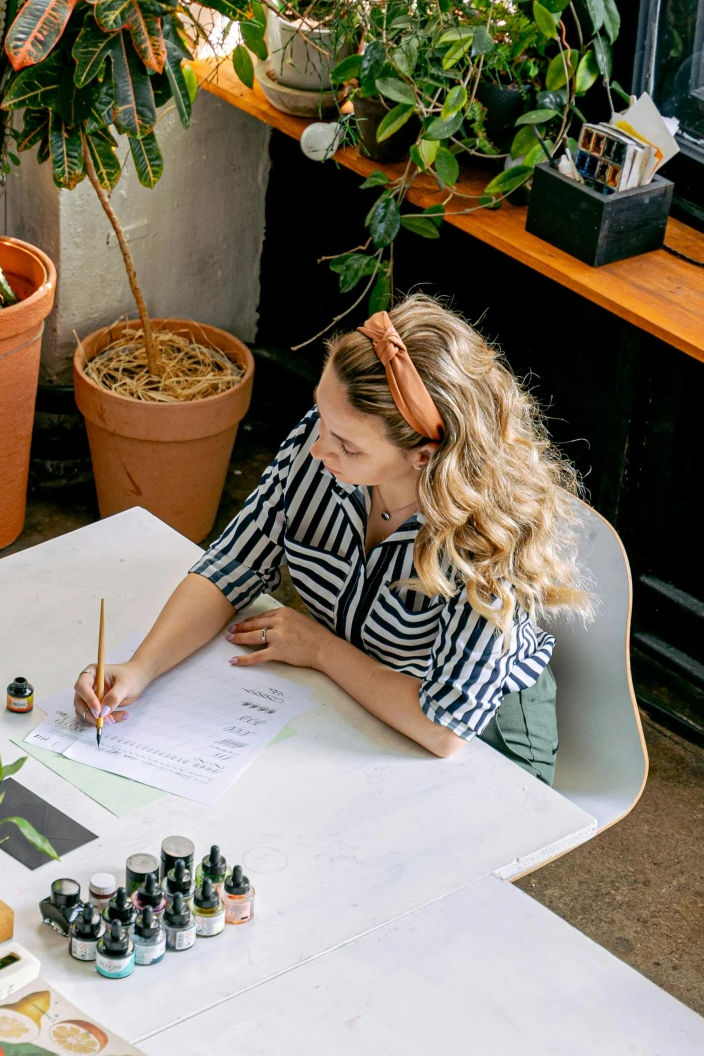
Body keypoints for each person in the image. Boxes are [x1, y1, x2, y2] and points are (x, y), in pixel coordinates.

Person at [74, 294, 588, 782]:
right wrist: (140, 667)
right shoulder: (321, 444)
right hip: (356, 698)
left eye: (346, 444)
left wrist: (321, 650)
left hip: (487, 733)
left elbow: (445, 730)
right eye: (321, 418)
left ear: (423, 457)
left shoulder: (488, 539)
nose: (318, 449)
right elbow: (232, 565)